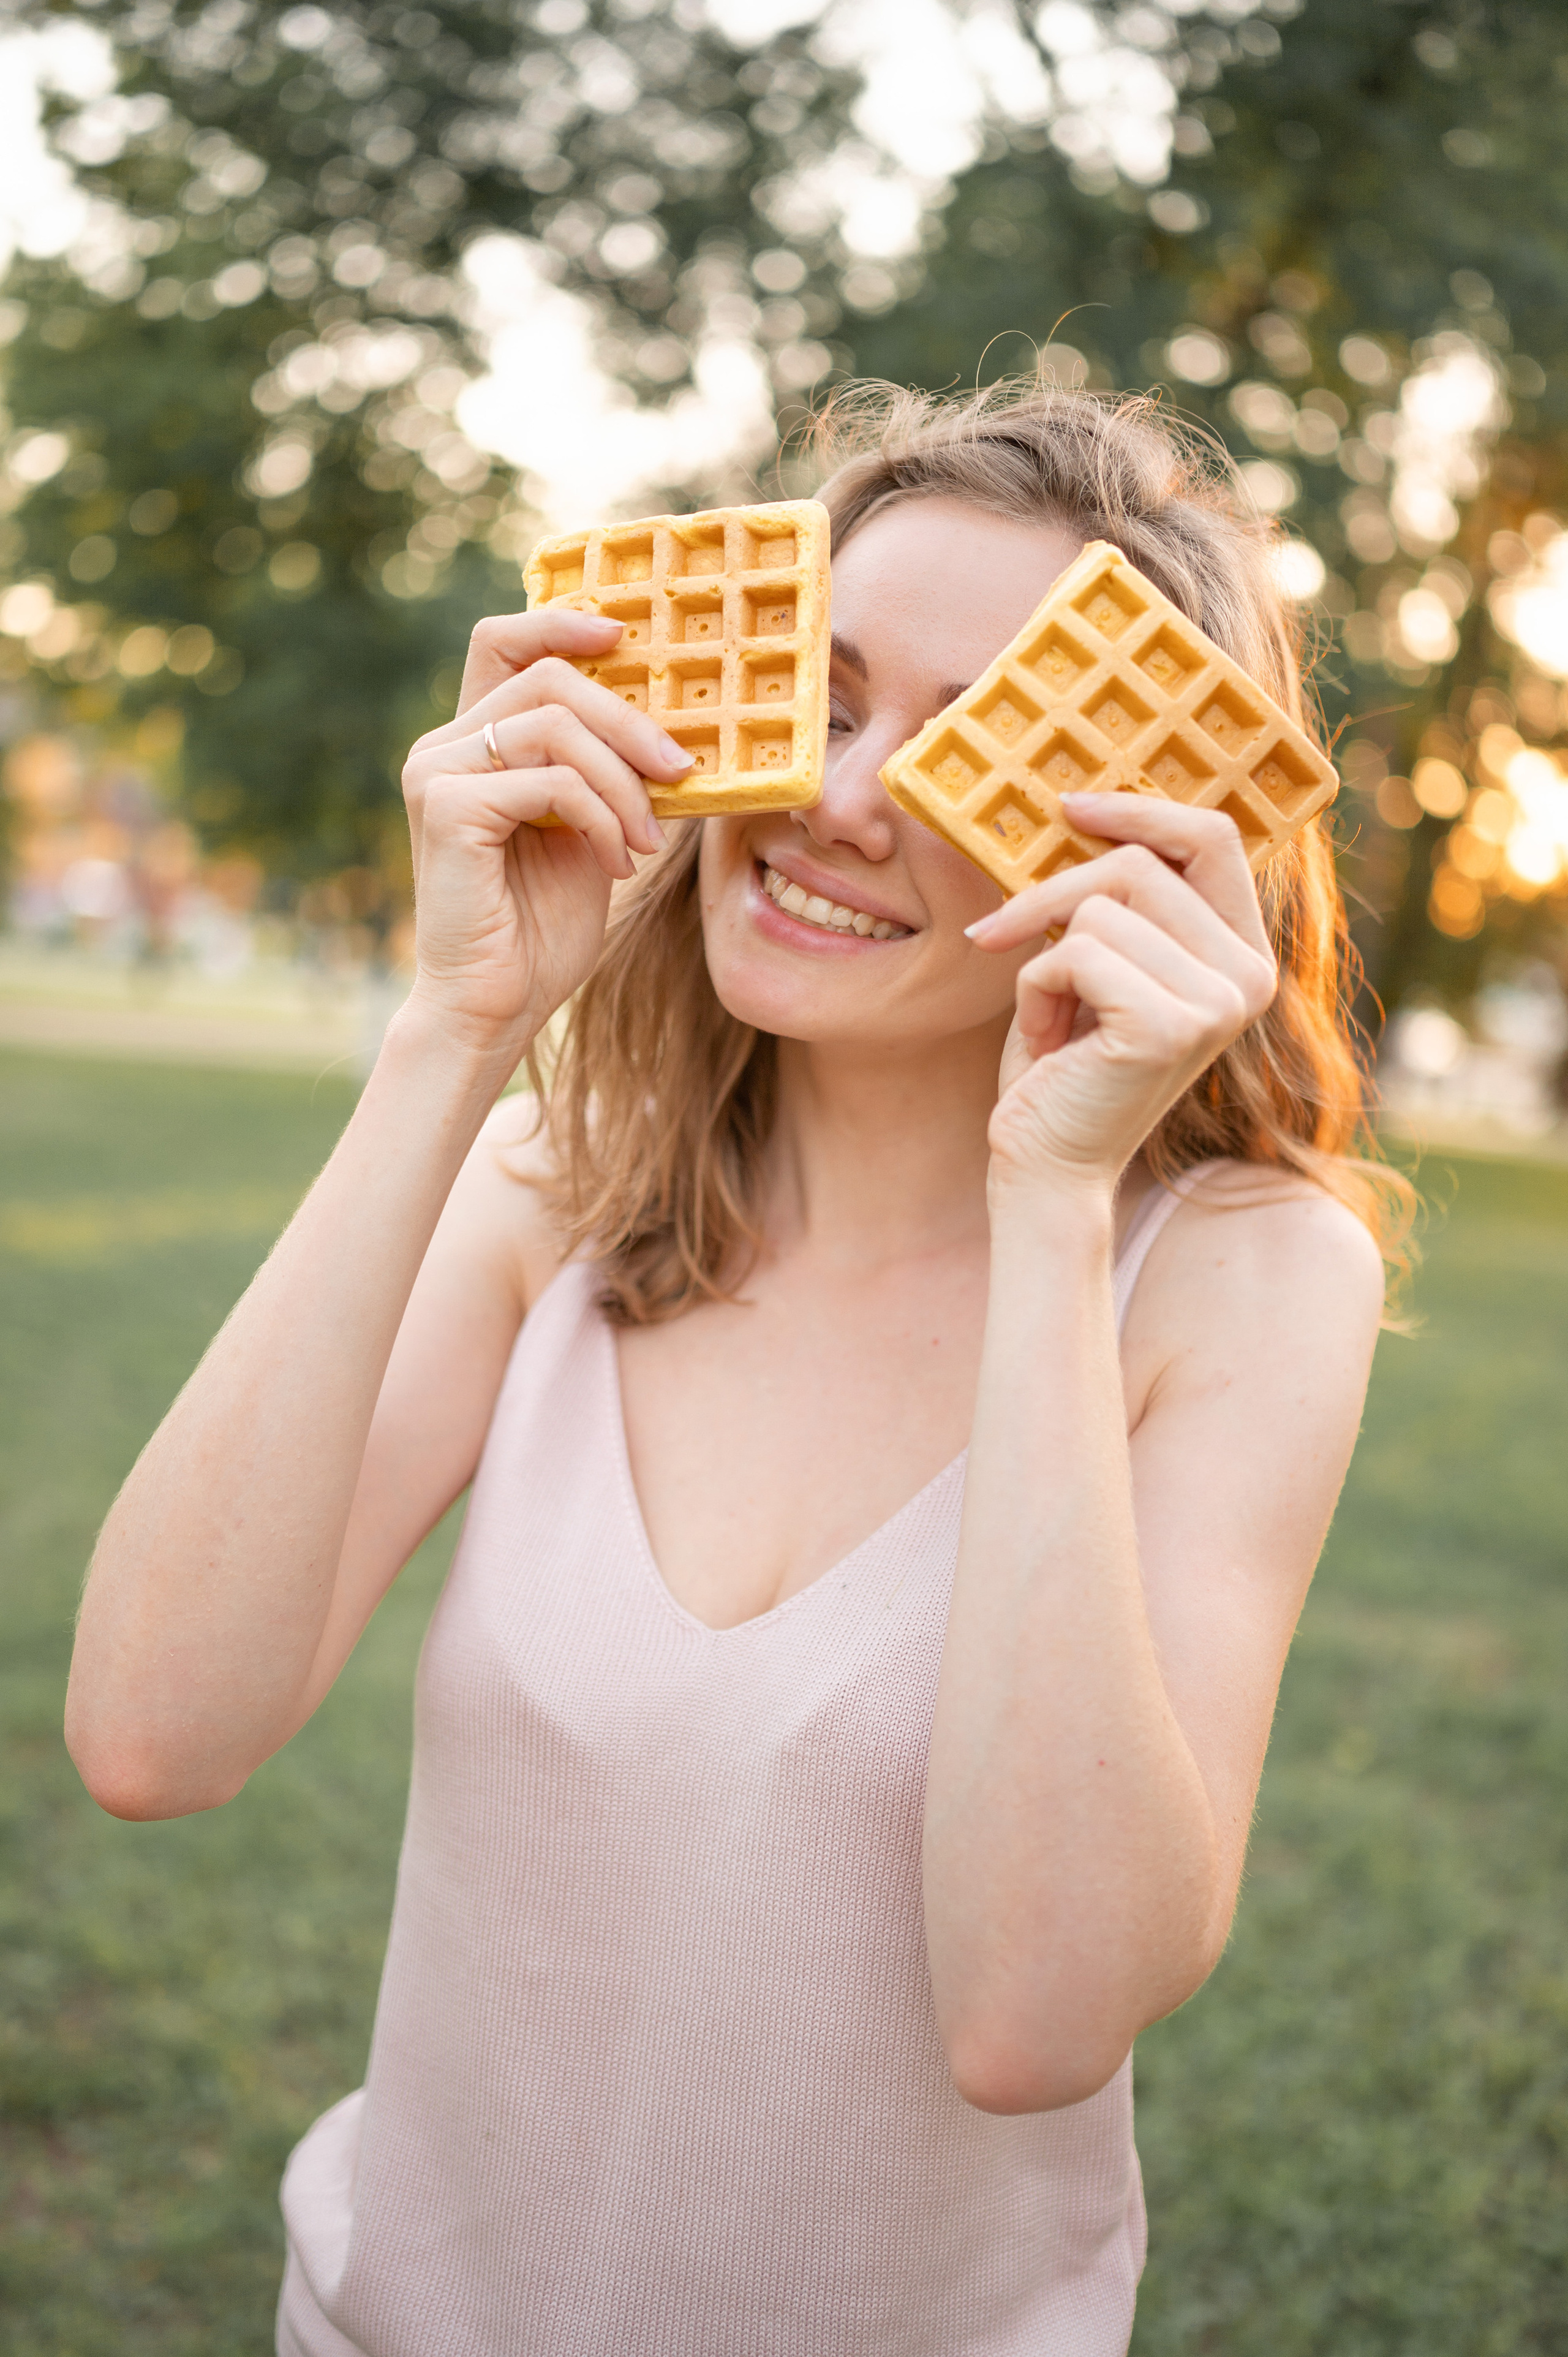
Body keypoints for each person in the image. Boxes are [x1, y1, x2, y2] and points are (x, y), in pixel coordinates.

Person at [66, 380, 1409, 2357]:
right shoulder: (558, 1187)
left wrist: (1053, 1196)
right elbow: (152, 1736)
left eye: (976, 750)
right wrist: (455, 1031)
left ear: (1149, 836)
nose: (845, 796)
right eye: (827, 692)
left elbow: (1036, 2018)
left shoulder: (1240, 1279)